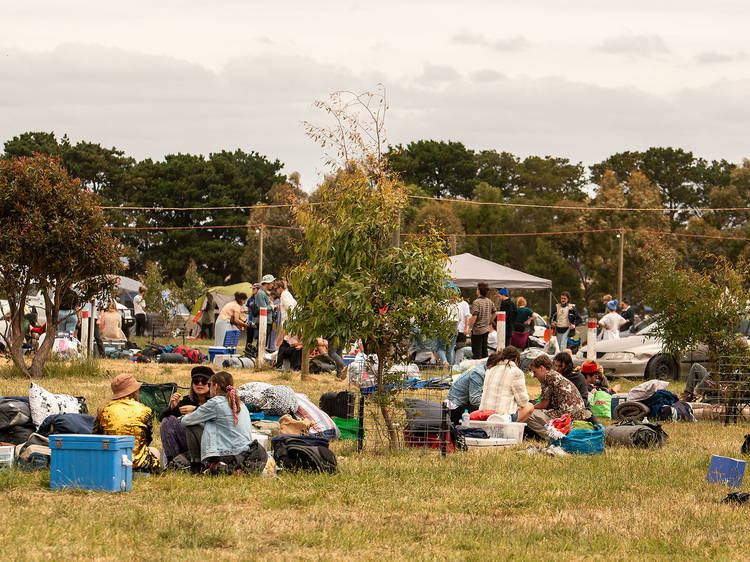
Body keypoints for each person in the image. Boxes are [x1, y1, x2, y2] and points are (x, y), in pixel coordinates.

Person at [180, 370, 253, 473]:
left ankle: (196, 465)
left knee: (192, 426)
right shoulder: (240, 403)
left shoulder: (216, 403)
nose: (209, 388)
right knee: (211, 423)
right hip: (244, 453)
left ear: (216, 386)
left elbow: (186, 421)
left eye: (210, 385)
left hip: (226, 454)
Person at [93, 373, 161, 472]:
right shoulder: (145, 410)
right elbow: (147, 440)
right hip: (140, 466)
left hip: (110, 464)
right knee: (155, 451)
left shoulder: (103, 409)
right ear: (134, 391)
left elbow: (96, 436)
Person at [526, 354, 590, 439]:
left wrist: (529, 408)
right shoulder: (555, 375)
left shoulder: (547, 377)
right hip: (578, 418)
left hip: (567, 419)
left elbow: (543, 404)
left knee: (528, 414)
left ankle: (554, 437)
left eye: (535, 372)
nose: (534, 375)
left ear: (541, 368)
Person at [159, 366, 213, 465]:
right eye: (196, 381)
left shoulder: (214, 402)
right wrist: (172, 408)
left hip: (207, 440)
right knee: (168, 420)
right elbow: (162, 419)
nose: (200, 384)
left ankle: (177, 461)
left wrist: (196, 411)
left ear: (211, 385)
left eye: (204, 381)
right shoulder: (188, 400)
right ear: (192, 384)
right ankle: (172, 461)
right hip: (186, 440)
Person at [479, 346, 534, 422]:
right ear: (516, 359)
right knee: (530, 407)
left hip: (484, 415)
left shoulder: (490, 370)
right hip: (502, 417)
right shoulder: (516, 372)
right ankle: (511, 430)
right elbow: (523, 401)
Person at [446, 357, 494, 424]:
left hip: (463, 404)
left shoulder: (483, 370)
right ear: (491, 366)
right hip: (454, 408)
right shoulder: (478, 373)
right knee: (487, 412)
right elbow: (475, 401)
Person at [467, 281, 496, 359]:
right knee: (484, 350)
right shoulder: (489, 301)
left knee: (477, 352)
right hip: (486, 330)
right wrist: (489, 321)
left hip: (477, 331)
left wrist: (469, 328)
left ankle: (478, 368)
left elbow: (474, 316)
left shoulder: (476, 302)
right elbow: (495, 312)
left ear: (479, 290)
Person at [274, 280, 297, 348]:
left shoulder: (284, 295)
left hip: (287, 321)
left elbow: (290, 307)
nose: (276, 291)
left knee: (282, 341)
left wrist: (290, 320)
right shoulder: (287, 293)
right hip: (289, 320)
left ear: (280, 288)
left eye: (276, 289)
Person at [255, 275, 276, 350]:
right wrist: (272, 307)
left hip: (267, 320)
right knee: (262, 340)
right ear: (267, 283)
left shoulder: (264, 293)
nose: (272, 285)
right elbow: (262, 308)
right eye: (271, 283)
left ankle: (261, 355)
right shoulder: (261, 293)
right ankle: (258, 356)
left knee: (264, 340)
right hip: (264, 321)